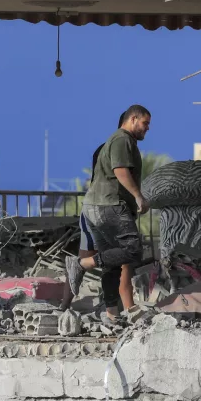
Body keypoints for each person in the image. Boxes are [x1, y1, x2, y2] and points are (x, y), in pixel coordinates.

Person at [65, 105, 151, 322]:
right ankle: (82, 264)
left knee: (111, 264)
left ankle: (111, 313)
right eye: (145, 123)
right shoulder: (123, 139)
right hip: (109, 205)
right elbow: (120, 170)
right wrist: (138, 196)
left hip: (95, 207)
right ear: (133, 119)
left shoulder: (114, 141)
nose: (147, 129)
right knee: (133, 250)